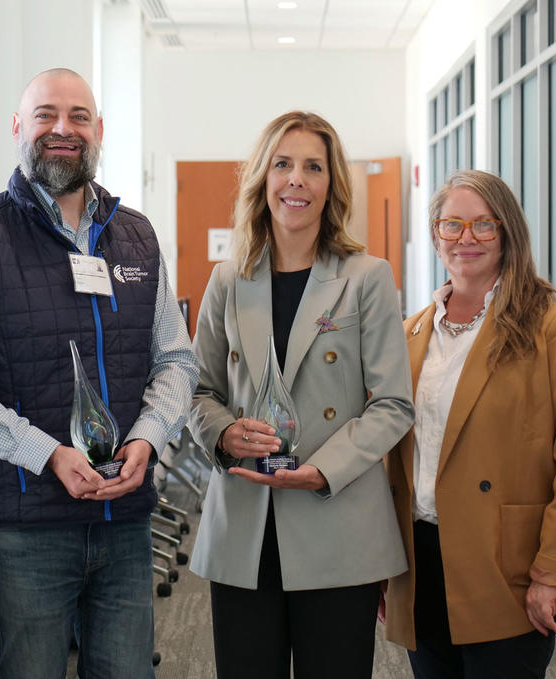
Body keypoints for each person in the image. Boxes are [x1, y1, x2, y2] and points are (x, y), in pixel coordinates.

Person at [0, 68, 198, 679]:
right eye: (45, 115)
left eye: (78, 116)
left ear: (99, 132)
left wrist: (147, 438)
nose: (62, 129)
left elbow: (175, 358)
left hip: (123, 518)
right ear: (18, 128)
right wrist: (46, 454)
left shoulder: (137, 238)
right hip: (26, 528)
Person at [187, 110, 414, 679]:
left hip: (336, 521)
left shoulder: (367, 277)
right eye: (283, 164)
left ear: (332, 183)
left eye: (314, 167)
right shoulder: (227, 279)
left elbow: (393, 404)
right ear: (262, 178)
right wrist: (222, 430)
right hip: (245, 525)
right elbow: (198, 390)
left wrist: (321, 471)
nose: (296, 180)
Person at [380, 170, 556, 678]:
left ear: (508, 234)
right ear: (436, 235)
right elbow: (388, 460)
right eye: (452, 224)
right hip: (420, 564)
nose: (466, 238)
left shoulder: (550, 327)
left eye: (484, 225)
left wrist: (555, 572)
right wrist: (382, 567)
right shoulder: (409, 333)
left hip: (508, 567)